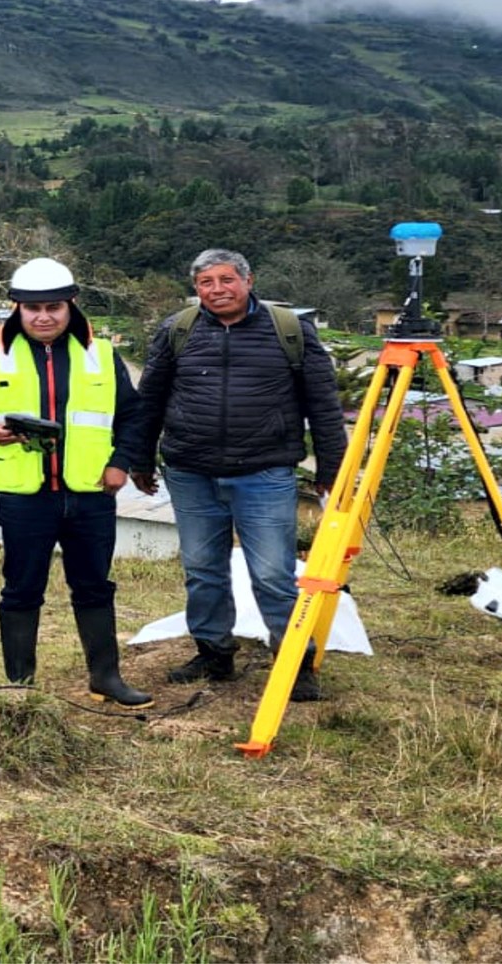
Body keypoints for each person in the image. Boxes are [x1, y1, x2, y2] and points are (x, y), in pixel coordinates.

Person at [131, 249, 347, 701]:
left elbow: (323, 405)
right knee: (202, 569)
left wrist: (333, 465)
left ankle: (294, 663)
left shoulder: (289, 330)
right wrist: (139, 458)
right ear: (196, 289)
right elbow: (149, 400)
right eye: (206, 282)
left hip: (264, 472)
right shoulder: (178, 330)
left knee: (273, 574)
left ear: (248, 280)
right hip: (190, 472)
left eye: (226, 280)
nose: (217, 290)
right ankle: (213, 653)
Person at [0, 258, 151, 709]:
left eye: (54, 307)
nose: (44, 316)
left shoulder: (100, 353)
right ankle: (19, 686)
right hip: (26, 497)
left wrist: (121, 463)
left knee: (95, 586)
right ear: (16, 309)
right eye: (33, 308)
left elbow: (133, 416)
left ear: (71, 305)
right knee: (22, 589)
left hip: (89, 494)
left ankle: (106, 677)